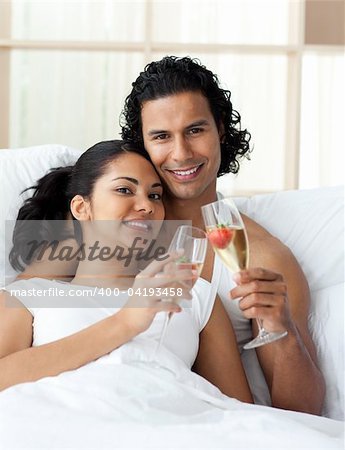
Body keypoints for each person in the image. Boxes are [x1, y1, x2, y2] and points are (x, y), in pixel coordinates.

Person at [120, 55, 325, 415]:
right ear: (143, 144)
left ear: (221, 131)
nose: (181, 154)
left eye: (195, 130)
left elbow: (300, 411)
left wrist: (285, 329)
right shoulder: (116, 224)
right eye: (161, 137)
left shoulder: (261, 258)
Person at [0, 140, 253, 404]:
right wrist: (126, 322)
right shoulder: (28, 296)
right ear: (80, 207)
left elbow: (239, 413)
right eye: (124, 190)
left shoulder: (194, 293)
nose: (146, 206)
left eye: (154, 195)